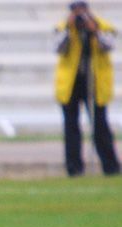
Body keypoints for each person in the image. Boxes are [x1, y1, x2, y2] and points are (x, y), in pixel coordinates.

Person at [54, 1, 120, 176]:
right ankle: (74, 168)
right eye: (75, 11)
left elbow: (110, 45)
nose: (79, 15)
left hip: (95, 82)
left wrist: (95, 31)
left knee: (100, 125)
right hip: (70, 84)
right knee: (71, 127)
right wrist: (69, 29)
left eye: (81, 10)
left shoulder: (101, 26)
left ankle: (110, 166)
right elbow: (58, 48)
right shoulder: (63, 27)